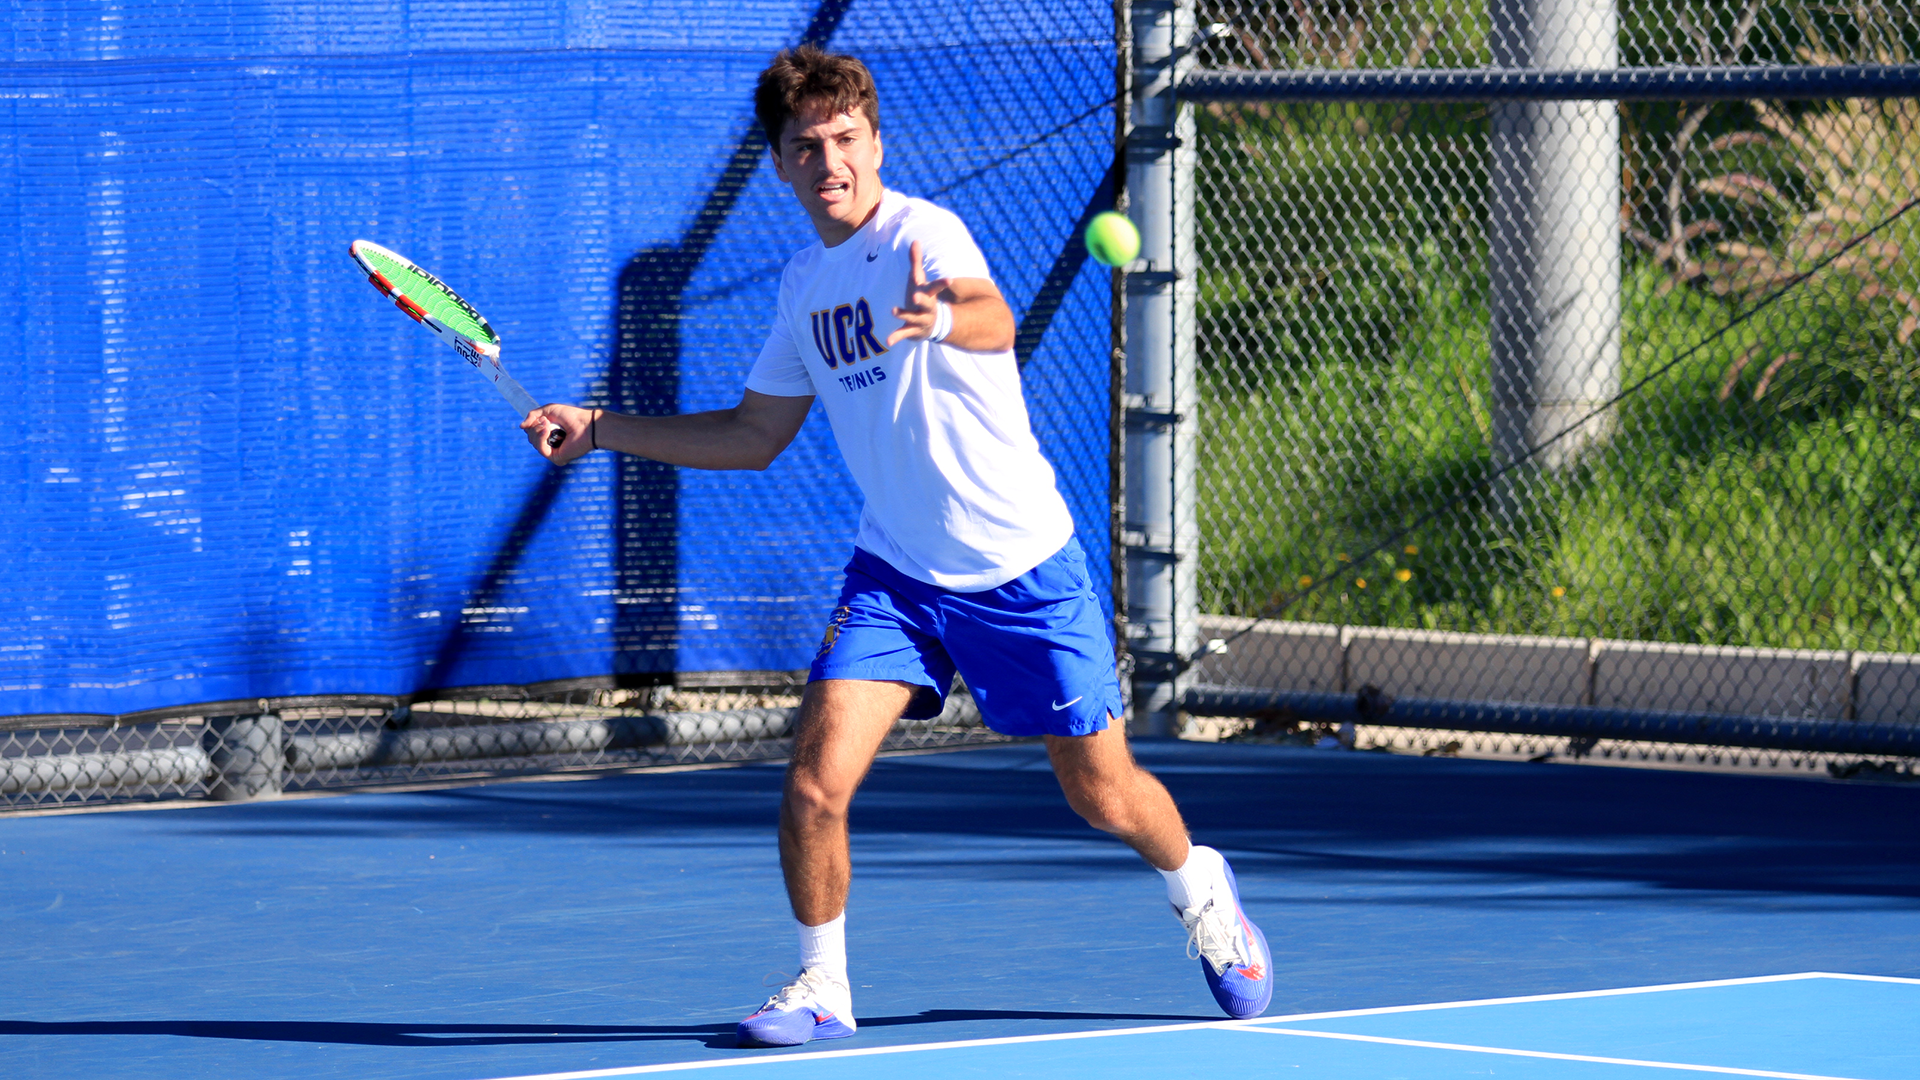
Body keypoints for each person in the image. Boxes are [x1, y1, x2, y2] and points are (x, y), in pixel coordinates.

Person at [522, 45, 1271, 1048]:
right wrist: (605, 428)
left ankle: (1202, 888)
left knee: (1100, 791)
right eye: (807, 146)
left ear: (873, 143)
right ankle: (823, 985)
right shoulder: (804, 287)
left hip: (1021, 570)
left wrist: (942, 316)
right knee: (815, 782)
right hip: (898, 577)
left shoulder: (927, 233)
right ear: (781, 163)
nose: (830, 160)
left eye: (845, 139)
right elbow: (753, 435)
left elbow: (993, 316)